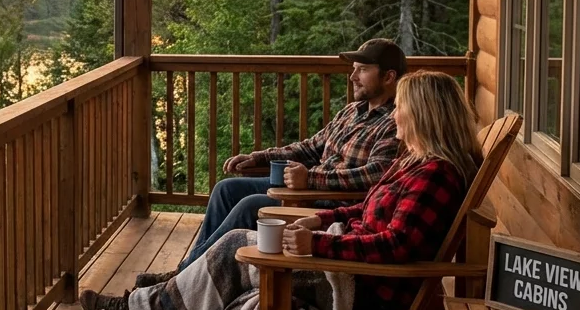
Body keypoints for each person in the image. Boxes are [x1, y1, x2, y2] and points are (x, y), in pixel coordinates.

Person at [82, 71, 480, 310]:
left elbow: (397, 246)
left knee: (235, 247)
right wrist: (318, 221)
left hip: (364, 300)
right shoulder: (415, 162)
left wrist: (320, 244)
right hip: (351, 272)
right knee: (236, 244)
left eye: (403, 110)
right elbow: (363, 209)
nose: (396, 118)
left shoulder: (435, 175)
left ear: (425, 115)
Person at [136, 38, 408, 288]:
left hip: (331, 203)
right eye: (354, 69)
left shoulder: (396, 121)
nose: (352, 77)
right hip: (306, 190)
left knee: (250, 206)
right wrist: (260, 157)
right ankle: (187, 272)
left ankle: (180, 281)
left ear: (388, 77)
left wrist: (312, 180)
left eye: (361, 70)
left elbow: (377, 174)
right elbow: (310, 147)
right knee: (226, 189)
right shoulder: (353, 110)